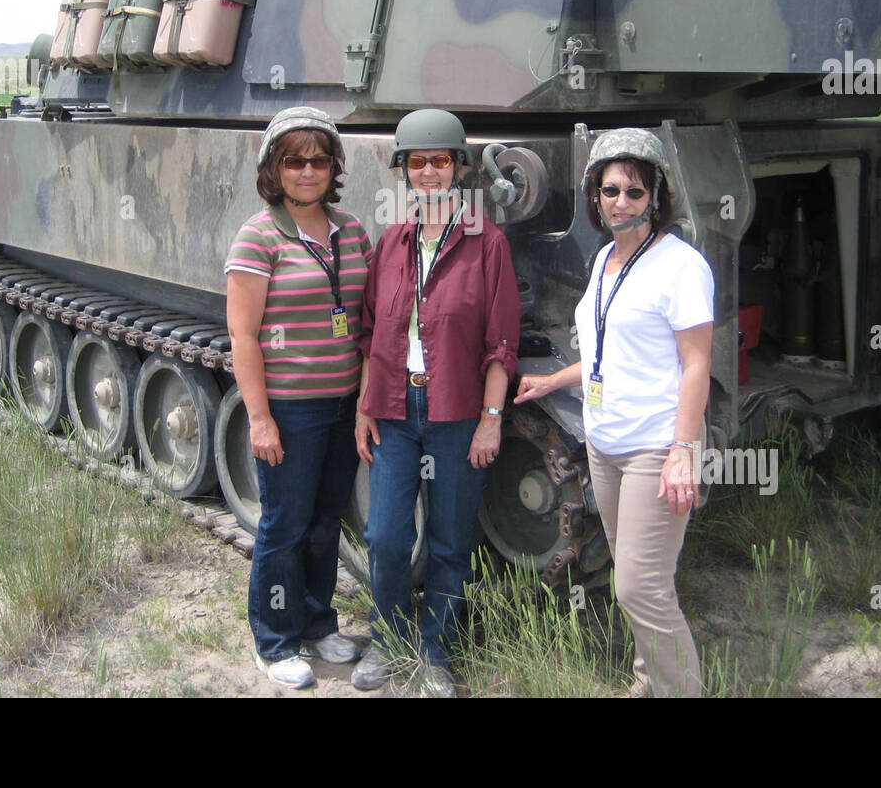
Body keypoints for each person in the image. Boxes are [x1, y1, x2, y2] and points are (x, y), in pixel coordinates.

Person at [514, 128, 713, 697]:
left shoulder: (680, 266)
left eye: (633, 190)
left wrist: (683, 451)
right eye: (608, 190)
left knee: (639, 587)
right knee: (639, 576)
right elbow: (606, 358)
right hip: (606, 444)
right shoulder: (604, 259)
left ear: (655, 195)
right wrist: (553, 380)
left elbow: (695, 365)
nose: (620, 202)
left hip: (656, 445)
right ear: (593, 198)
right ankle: (648, 683)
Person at [352, 109, 521, 697]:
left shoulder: (487, 244)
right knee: (387, 537)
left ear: (458, 168)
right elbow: (371, 331)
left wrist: (491, 420)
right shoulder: (391, 242)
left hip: (456, 416)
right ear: (404, 170)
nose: (428, 172)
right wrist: (364, 407)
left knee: (451, 540)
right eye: (417, 162)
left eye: (440, 161)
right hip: (396, 413)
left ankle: (436, 653)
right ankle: (388, 639)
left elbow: (501, 342)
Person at [225, 106, 372, 689]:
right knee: (284, 525)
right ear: (274, 169)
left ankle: (316, 621)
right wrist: (259, 419)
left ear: (333, 166)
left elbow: (362, 319)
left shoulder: (352, 230)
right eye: (294, 160)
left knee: (324, 522)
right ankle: (275, 638)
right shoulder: (259, 236)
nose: (308, 171)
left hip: (343, 403)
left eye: (319, 159)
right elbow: (242, 334)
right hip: (290, 408)